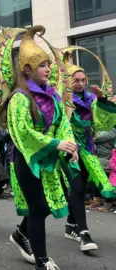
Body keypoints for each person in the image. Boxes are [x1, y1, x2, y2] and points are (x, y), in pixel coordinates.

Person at [4, 26, 78, 269]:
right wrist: (56, 143)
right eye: (43, 65)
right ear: (27, 69)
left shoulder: (53, 95)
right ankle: (42, 260)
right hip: (28, 159)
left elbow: (63, 122)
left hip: (51, 157)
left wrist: (69, 144)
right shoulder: (19, 97)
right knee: (38, 207)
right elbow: (22, 132)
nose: (48, 69)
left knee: (51, 202)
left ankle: (20, 234)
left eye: (48, 64)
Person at [58, 59, 116, 251]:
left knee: (82, 189)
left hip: (88, 149)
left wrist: (102, 99)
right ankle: (84, 233)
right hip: (70, 147)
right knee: (76, 186)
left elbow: (103, 125)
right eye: (76, 80)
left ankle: (70, 226)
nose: (80, 83)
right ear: (69, 81)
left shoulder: (91, 98)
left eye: (83, 80)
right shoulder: (62, 98)